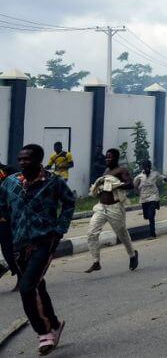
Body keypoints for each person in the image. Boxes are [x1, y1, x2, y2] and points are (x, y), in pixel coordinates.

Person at [0, 144, 75, 354]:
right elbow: (2, 206)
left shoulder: (53, 182)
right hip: (18, 243)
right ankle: (55, 323)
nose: (23, 162)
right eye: (20, 158)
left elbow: (69, 203)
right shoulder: (10, 182)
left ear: (39, 160)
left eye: (27, 159)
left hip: (44, 241)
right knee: (37, 286)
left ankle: (44, 332)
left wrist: (59, 228)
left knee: (27, 287)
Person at [85, 148, 139, 273]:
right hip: (101, 207)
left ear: (116, 158)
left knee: (122, 234)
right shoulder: (106, 171)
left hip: (115, 208)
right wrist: (99, 188)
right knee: (91, 233)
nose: (107, 159)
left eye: (110, 157)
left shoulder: (121, 170)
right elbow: (105, 188)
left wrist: (115, 184)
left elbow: (130, 185)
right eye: (106, 157)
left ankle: (132, 255)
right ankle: (96, 261)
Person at [133, 160, 167, 239]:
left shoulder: (155, 174)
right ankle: (151, 212)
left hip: (153, 196)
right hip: (144, 198)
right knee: (146, 216)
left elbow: (162, 177)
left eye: (148, 167)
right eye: (145, 167)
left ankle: (152, 234)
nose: (147, 169)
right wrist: (136, 192)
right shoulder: (139, 177)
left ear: (150, 167)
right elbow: (135, 185)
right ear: (143, 168)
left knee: (151, 216)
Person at [0, 159, 19, 285]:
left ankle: (20, 275)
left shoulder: (9, 171)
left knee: (9, 249)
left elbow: (19, 192)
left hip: (8, 218)